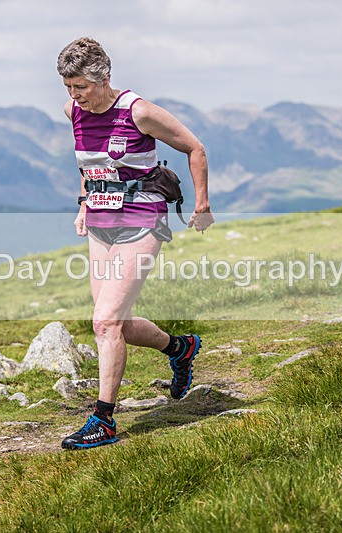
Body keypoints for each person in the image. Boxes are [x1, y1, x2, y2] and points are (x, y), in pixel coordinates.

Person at [57, 37, 215, 450]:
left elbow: (194, 147)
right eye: (68, 87)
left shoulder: (138, 111)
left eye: (81, 87)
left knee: (104, 322)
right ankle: (180, 349)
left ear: (103, 78)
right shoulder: (73, 110)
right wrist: (82, 204)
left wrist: (202, 204)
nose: (75, 96)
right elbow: (87, 161)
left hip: (142, 220)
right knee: (118, 323)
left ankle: (103, 420)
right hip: (99, 222)